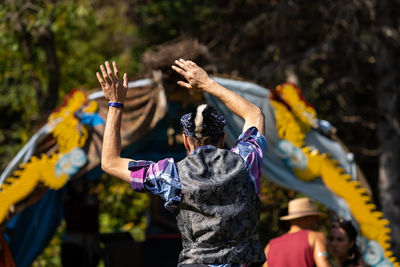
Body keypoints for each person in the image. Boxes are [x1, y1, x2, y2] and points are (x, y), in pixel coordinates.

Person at [96, 59, 267, 266]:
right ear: (222, 138)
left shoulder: (171, 175)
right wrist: (207, 84)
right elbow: (254, 114)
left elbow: (110, 162)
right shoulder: (246, 160)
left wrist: (115, 103)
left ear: (186, 140)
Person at [263, 197, 331, 267]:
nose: (318, 223)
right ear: (308, 219)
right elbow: (323, 262)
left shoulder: (269, 246)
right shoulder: (315, 237)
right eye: (316, 218)